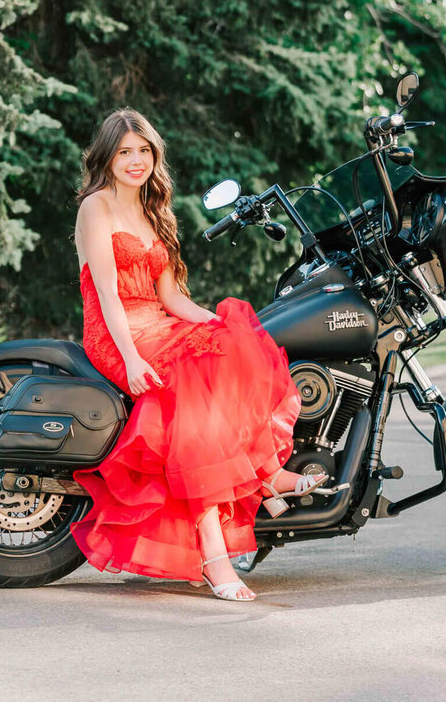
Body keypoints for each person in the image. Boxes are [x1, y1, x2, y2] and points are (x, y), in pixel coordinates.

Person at [70, 108, 327, 602]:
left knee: (233, 346)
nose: (135, 160)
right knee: (190, 387)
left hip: (157, 323)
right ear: (107, 155)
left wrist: (223, 326)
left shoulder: (153, 213)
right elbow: (105, 294)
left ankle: (265, 478)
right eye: (125, 151)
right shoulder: (95, 207)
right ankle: (217, 554)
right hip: (115, 333)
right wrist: (131, 359)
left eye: (143, 151)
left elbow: (171, 300)